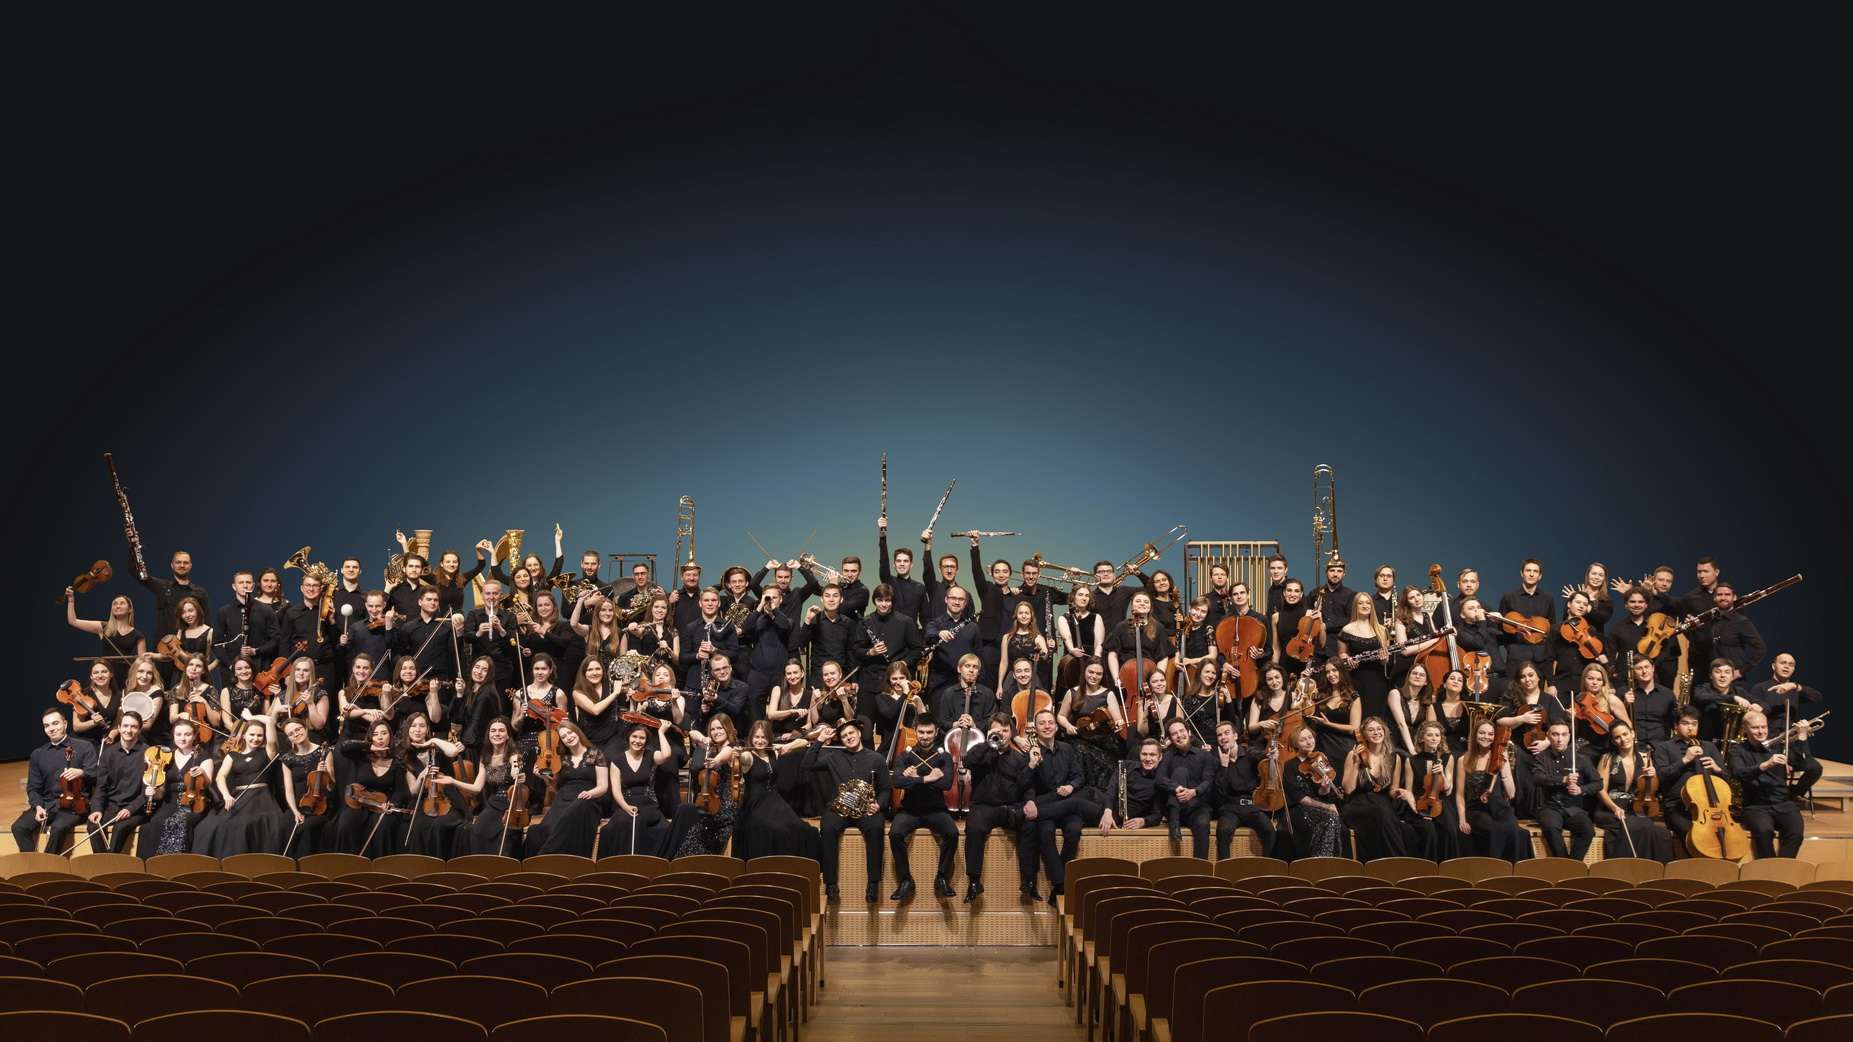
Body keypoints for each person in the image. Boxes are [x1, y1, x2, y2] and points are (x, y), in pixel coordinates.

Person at [803, 717, 890, 903]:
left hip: (866, 810)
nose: (848, 737)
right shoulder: (833, 757)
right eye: (844, 736)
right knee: (827, 828)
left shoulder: (876, 759)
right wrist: (819, 740)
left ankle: (873, 883)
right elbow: (807, 765)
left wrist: (879, 805)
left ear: (859, 733)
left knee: (876, 828)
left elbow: (885, 789)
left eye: (851, 733)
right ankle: (831, 885)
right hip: (840, 809)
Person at [960, 713, 1036, 902]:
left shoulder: (1019, 758)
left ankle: (1028, 881)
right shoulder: (980, 751)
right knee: (974, 828)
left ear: (1011, 733)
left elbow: (1027, 785)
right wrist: (988, 743)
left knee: (1030, 826)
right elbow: (967, 762)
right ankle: (974, 882)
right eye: (997, 730)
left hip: (1010, 806)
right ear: (989, 732)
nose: (1001, 734)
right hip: (984, 806)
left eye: (1005, 730)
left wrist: (1030, 801)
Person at [887, 718, 957, 901]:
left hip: (936, 810)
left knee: (952, 833)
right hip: (910, 810)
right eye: (921, 732)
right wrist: (927, 778)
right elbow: (896, 781)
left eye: (929, 732)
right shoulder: (906, 755)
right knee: (895, 834)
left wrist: (914, 778)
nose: (925, 736)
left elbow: (946, 783)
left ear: (936, 732)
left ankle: (942, 877)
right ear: (915, 731)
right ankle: (905, 880)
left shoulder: (944, 756)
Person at [732, 720, 822, 862]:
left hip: (774, 802)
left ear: (769, 738)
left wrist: (786, 746)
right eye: (756, 737)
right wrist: (737, 754)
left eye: (763, 737)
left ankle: (795, 866)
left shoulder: (773, 752)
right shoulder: (748, 756)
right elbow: (740, 759)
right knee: (775, 829)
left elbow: (804, 742)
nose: (759, 741)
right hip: (755, 804)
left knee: (803, 829)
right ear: (751, 738)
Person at [198, 716, 288, 857]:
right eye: (252, 734)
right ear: (244, 735)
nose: (256, 738)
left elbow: (270, 721)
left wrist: (251, 718)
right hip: (239, 797)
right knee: (210, 826)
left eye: (260, 735)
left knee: (247, 823)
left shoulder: (268, 751)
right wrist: (226, 795)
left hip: (261, 798)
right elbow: (220, 777)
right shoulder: (232, 755)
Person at [453, 718, 544, 857]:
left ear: (507, 735)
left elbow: (516, 766)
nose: (497, 734)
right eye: (493, 731)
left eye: (501, 730)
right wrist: (452, 781)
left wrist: (516, 773)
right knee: (477, 831)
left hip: (513, 803)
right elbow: (476, 788)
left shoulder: (514, 755)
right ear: (488, 735)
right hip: (494, 803)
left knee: (506, 837)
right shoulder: (485, 757)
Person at [1023, 707, 1086, 901]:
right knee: (1046, 833)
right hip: (1046, 806)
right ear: (1035, 728)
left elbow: (1079, 776)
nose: (1047, 726)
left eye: (1050, 722)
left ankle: (1060, 883)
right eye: (1042, 723)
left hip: (1066, 803)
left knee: (1074, 830)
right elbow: (1027, 783)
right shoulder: (1031, 752)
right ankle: (1060, 885)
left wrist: (1071, 786)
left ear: (1057, 727)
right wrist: (1030, 800)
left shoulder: (1067, 748)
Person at [524, 719, 609, 857]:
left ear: (577, 732)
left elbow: (603, 786)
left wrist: (590, 793)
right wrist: (543, 777)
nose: (568, 737)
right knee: (538, 830)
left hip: (587, 800)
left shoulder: (595, 754)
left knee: (570, 816)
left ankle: (546, 856)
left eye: (570, 733)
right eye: (564, 737)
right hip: (563, 799)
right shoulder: (562, 759)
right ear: (561, 741)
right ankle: (532, 863)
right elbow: (555, 788)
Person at [1730, 710, 1808, 859]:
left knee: (1796, 833)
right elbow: (1738, 773)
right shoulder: (1738, 750)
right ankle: (1767, 868)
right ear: (1745, 729)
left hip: (1783, 803)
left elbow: (1804, 765)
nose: (1761, 731)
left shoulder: (1779, 746)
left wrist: (1802, 738)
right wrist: (1765, 765)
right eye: (1755, 728)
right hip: (1756, 806)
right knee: (1764, 832)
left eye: (1763, 727)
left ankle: (1782, 866)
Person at [1594, 722, 1677, 862]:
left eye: (1625, 734)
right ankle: (1630, 866)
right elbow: (1600, 790)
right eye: (1617, 737)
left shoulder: (1645, 758)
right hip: (1610, 809)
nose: (1623, 739)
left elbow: (1650, 789)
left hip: (1635, 808)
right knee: (1639, 826)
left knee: (1660, 833)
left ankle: (1657, 869)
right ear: (1613, 741)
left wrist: (1652, 776)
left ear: (1632, 734)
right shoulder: (1607, 758)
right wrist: (1614, 808)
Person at [1342, 716, 1418, 861]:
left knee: (1404, 828)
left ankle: (1394, 863)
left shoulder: (1394, 757)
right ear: (1364, 735)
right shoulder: (1353, 755)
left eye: (1379, 729)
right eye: (1371, 730)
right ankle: (1398, 862)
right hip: (1358, 804)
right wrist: (1356, 764)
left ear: (1384, 731)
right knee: (1381, 813)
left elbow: (1392, 790)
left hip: (1382, 804)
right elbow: (1348, 789)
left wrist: (1401, 792)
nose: (1376, 732)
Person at [396, 712, 469, 859]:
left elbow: (453, 751)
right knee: (419, 827)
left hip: (447, 798)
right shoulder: (405, 755)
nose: (417, 729)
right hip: (423, 801)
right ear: (408, 729)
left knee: (439, 825)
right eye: (413, 726)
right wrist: (422, 776)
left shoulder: (437, 747)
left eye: (422, 726)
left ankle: (442, 864)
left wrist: (433, 741)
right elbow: (413, 791)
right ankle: (423, 865)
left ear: (427, 729)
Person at [139, 717, 215, 856]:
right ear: (173, 736)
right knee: (155, 823)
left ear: (194, 735)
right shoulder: (167, 757)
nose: (182, 738)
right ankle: (153, 864)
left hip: (193, 803)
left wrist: (203, 773)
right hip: (170, 802)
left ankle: (175, 863)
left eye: (187, 734)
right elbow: (161, 792)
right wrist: (154, 792)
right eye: (178, 734)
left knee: (179, 822)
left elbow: (208, 783)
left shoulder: (203, 756)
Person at [1455, 719, 1527, 863]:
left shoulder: (1499, 757)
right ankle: (1494, 869)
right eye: (1482, 733)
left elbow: (1511, 794)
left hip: (1501, 808)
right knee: (1494, 829)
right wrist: (1462, 819)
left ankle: (1513, 871)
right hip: (1477, 809)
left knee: (1514, 830)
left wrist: (1503, 769)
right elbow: (1459, 794)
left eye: (1490, 734)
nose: (1486, 737)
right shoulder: (1464, 760)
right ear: (1475, 735)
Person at [332, 719, 408, 856]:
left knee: (384, 826)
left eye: (384, 733)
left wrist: (392, 803)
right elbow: (343, 747)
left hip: (382, 804)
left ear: (390, 736)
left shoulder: (397, 762)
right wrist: (369, 746)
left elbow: (400, 791)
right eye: (375, 734)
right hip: (360, 802)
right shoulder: (362, 756)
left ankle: (380, 864)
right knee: (345, 823)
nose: (380, 737)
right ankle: (347, 863)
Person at [599, 722, 676, 856]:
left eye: (642, 738)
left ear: (646, 741)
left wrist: (661, 732)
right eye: (634, 736)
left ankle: (645, 862)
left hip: (648, 804)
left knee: (645, 823)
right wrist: (626, 807)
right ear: (628, 737)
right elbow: (616, 791)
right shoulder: (617, 761)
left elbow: (666, 755)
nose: (637, 741)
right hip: (626, 804)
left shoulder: (651, 756)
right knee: (616, 826)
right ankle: (619, 863)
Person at [1651, 709, 1723, 848]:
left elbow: (1727, 778)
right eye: (1685, 723)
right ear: (1676, 726)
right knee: (1695, 835)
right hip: (1676, 807)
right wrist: (1685, 760)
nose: (1690, 727)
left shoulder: (1709, 747)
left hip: (1708, 806)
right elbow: (1661, 776)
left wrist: (1717, 768)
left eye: (1694, 724)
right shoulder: (1664, 747)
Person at [1055, 659, 1125, 800]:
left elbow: (1118, 720)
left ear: (1103, 676)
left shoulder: (1108, 694)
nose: (1094, 676)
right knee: (1079, 750)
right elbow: (1061, 716)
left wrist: (1119, 723)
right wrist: (1068, 726)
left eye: (1098, 674)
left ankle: (1099, 798)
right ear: (1084, 672)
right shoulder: (1072, 692)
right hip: (1079, 738)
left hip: (1102, 742)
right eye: (1091, 672)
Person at [1526, 721, 1595, 861]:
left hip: (1573, 808)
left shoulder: (1581, 759)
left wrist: (1581, 789)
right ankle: (1563, 864)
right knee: (1551, 828)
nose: (1559, 739)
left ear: (1569, 736)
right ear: (1548, 736)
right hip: (1549, 807)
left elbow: (1598, 783)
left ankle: (1574, 865)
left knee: (1588, 830)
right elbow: (1537, 778)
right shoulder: (1541, 757)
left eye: (1563, 735)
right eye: (1555, 734)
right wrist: (1563, 779)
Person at [86, 710, 150, 853]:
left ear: (140, 730)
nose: (129, 730)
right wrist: (97, 809)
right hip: (112, 807)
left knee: (120, 827)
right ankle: (104, 862)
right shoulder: (108, 753)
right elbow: (101, 788)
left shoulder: (148, 753)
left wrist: (130, 809)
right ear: (119, 728)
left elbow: (147, 792)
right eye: (125, 726)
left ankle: (111, 862)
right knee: (93, 825)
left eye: (134, 727)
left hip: (136, 809)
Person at [1213, 720, 1278, 859]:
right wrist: (1224, 767)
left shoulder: (1249, 753)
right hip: (1231, 808)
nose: (1223, 737)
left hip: (1252, 806)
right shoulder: (1216, 760)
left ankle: (1269, 867)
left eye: (1226, 733)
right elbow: (1219, 793)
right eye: (1219, 735)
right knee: (1223, 831)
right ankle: (1224, 869)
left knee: (1269, 831)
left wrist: (1271, 754)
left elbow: (1263, 756)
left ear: (1235, 736)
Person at [1156, 719, 1216, 857]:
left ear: (1189, 732)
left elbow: (1209, 781)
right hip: (1175, 808)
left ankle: (1201, 866)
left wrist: (1194, 792)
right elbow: (1159, 779)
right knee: (1180, 772)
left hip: (1197, 807)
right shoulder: (1167, 756)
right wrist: (1176, 788)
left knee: (1203, 824)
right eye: (1174, 734)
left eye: (1181, 731)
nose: (1179, 735)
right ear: (1171, 739)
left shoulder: (1204, 755)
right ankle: (1174, 821)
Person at [1282, 726, 1343, 858]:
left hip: (1319, 806)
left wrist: (1325, 788)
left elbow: (1321, 794)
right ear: (1295, 744)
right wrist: (1326, 806)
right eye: (1303, 740)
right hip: (1300, 809)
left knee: (1337, 822)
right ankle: (1320, 860)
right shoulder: (1290, 765)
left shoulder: (1320, 760)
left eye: (1310, 737)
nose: (1309, 742)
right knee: (1330, 818)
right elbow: (1300, 798)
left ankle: (1333, 861)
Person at [278, 718, 333, 856]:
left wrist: (326, 772)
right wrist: (295, 811)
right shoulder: (287, 759)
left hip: (320, 806)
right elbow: (289, 790)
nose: (296, 734)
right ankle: (287, 865)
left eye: (298, 729)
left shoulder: (324, 752)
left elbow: (332, 785)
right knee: (284, 824)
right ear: (288, 738)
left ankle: (306, 865)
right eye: (291, 733)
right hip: (299, 805)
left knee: (305, 828)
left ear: (306, 728)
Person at [858, 583, 924, 697]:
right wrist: (870, 652)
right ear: (874, 601)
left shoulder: (905, 622)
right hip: (870, 681)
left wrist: (903, 663)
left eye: (887, 600)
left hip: (897, 682)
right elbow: (856, 650)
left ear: (892, 601)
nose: (883, 604)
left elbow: (917, 649)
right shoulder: (865, 622)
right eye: (879, 600)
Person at [1408, 719, 1458, 861]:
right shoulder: (1412, 760)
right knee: (1428, 830)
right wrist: (1418, 811)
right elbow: (1409, 791)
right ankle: (1427, 868)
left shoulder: (1448, 758)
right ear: (1422, 738)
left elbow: (1448, 790)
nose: (1434, 738)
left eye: (1437, 735)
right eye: (1429, 735)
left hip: (1441, 802)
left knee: (1450, 831)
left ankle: (1448, 868)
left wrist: (1442, 773)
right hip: (1420, 803)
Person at [214, 571, 277, 677]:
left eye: (248, 582)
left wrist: (256, 651)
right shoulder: (224, 612)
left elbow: (276, 639)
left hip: (259, 668)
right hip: (232, 670)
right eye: (241, 582)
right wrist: (231, 665)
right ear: (234, 586)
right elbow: (216, 643)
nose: (245, 585)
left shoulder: (266, 610)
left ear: (253, 586)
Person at [1498, 559, 1556, 672]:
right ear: (1522, 573)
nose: (1531, 574)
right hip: (1516, 655)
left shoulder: (1548, 599)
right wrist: (1510, 648)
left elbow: (1551, 628)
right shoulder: (1508, 597)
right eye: (1528, 570)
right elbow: (1501, 627)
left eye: (1535, 571)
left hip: (1541, 657)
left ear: (1540, 576)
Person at [1098, 739, 1166, 835]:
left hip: (1125, 821)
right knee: (1079, 805)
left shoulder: (1161, 780)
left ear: (1160, 757)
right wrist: (1107, 811)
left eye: (1152, 755)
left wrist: (1144, 821)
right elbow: (1112, 789)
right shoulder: (1126, 766)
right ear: (1139, 755)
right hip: (1108, 813)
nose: (1147, 758)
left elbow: (1157, 814)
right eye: (1144, 754)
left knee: (1077, 807)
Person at [877, 515, 929, 626]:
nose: (902, 564)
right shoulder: (889, 583)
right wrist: (882, 535)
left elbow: (925, 617)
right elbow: (884, 561)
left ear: (911, 564)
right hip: (891, 630)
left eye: (905, 561)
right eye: (898, 561)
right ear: (894, 564)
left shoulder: (920, 588)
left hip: (912, 632)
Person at [1056, 583, 1106, 696]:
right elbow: (1067, 638)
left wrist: (1096, 659)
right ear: (1073, 597)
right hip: (1072, 659)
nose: (1084, 598)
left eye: (1087, 595)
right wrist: (1072, 650)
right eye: (1080, 595)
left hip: (1091, 658)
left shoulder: (1096, 617)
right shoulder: (1064, 618)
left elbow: (1099, 642)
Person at [1620, 653, 1678, 745]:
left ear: (1653, 668)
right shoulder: (1624, 692)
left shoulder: (1667, 694)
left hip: (1661, 745)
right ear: (1633, 672)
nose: (1644, 671)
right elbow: (1617, 721)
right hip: (1633, 744)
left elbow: (1675, 722)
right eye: (1639, 668)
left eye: (1647, 667)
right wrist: (1625, 705)